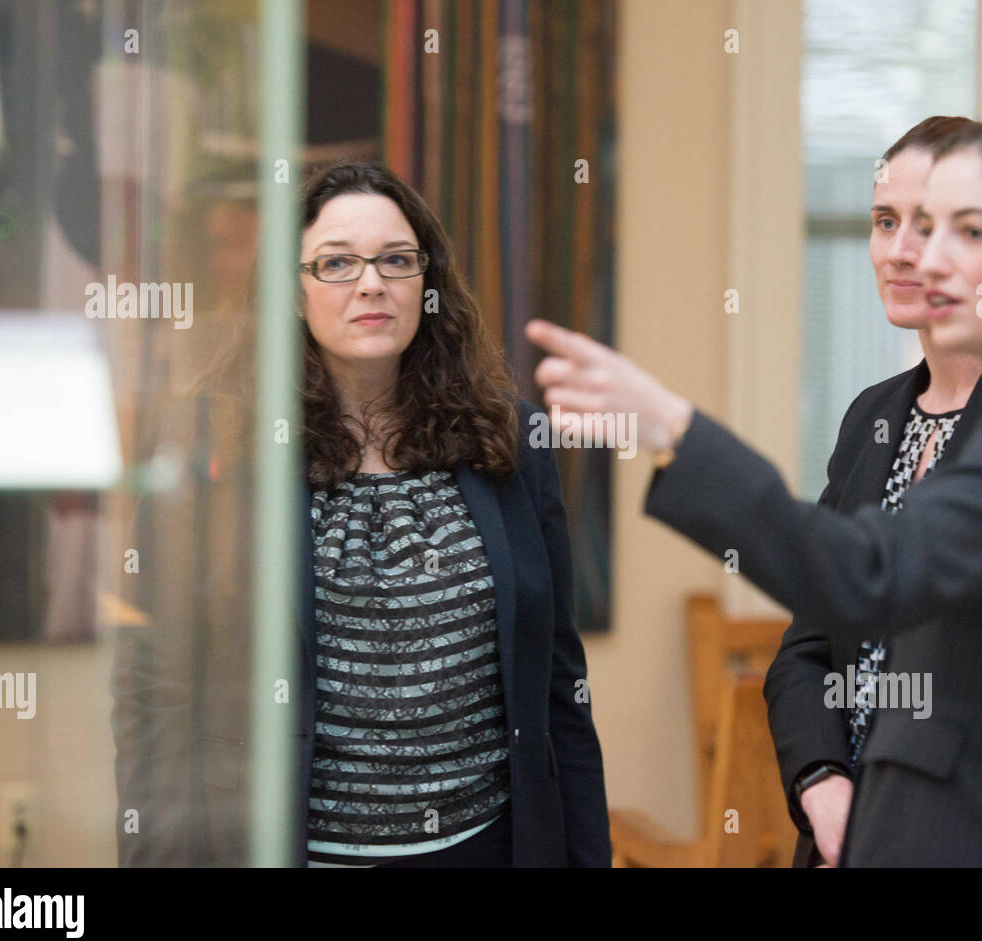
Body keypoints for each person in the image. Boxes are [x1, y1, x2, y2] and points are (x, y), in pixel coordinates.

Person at [526, 115, 982, 865]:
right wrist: (825, 780)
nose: (927, 260)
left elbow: (870, 573)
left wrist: (672, 426)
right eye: (915, 226)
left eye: (972, 233)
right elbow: (826, 634)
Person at [115, 160, 610, 868]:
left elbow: (563, 688)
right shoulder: (213, 447)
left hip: (489, 849)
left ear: (426, 284)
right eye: (336, 263)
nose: (371, 283)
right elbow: (152, 690)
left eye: (396, 261)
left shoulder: (510, 441)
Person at [765, 116, 982, 869]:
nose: (897, 249)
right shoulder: (873, 416)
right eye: (884, 220)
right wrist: (823, 785)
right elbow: (804, 653)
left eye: (924, 223)